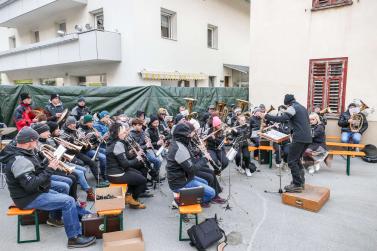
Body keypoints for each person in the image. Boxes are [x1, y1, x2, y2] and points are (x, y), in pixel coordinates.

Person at [0, 127, 96, 248]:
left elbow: (36, 171)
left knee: (64, 191)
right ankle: (74, 238)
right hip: (27, 198)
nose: (37, 143)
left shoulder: (25, 152)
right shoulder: (19, 160)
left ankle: (88, 218)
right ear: (29, 141)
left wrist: (48, 162)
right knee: (68, 201)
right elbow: (30, 185)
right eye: (36, 140)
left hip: (35, 192)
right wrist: (50, 169)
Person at [257, 94, 312, 193]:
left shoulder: (292, 107)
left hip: (299, 138)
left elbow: (283, 118)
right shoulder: (302, 108)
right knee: (297, 160)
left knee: (291, 161)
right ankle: (300, 182)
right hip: (307, 138)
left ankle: (297, 184)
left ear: (287, 103)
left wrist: (266, 115)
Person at [166, 123, 216, 206]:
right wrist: (205, 159)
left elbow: (191, 160)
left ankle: (194, 199)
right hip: (179, 183)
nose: (191, 137)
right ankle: (180, 201)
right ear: (183, 136)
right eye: (189, 135)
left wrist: (200, 152)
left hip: (183, 177)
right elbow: (192, 169)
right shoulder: (180, 149)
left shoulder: (178, 143)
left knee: (205, 182)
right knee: (212, 193)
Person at [106, 123, 149, 209]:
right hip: (117, 175)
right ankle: (133, 201)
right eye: (124, 132)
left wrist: (132, 153)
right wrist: (137, 158)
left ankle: (129, 195)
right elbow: (125, 164)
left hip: (114, 172)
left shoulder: (113, 142)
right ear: (117, 133)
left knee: (138, 173)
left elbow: (122, 157)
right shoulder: (118, 144)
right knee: (143, 180)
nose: (126, 134)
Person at [79, 115, 107, 181]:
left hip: (95, 147)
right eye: (91, 122)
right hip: (86, 150)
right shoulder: (81, 130)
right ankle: (103, 176)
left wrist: (99, 137)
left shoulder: (92, 128)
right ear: (86, 122)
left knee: (107, 152)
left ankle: (106, 173)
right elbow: (82, 145)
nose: (92, 123)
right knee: (103, 158)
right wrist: (89, 138)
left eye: (92, 122)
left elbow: (98, 141)